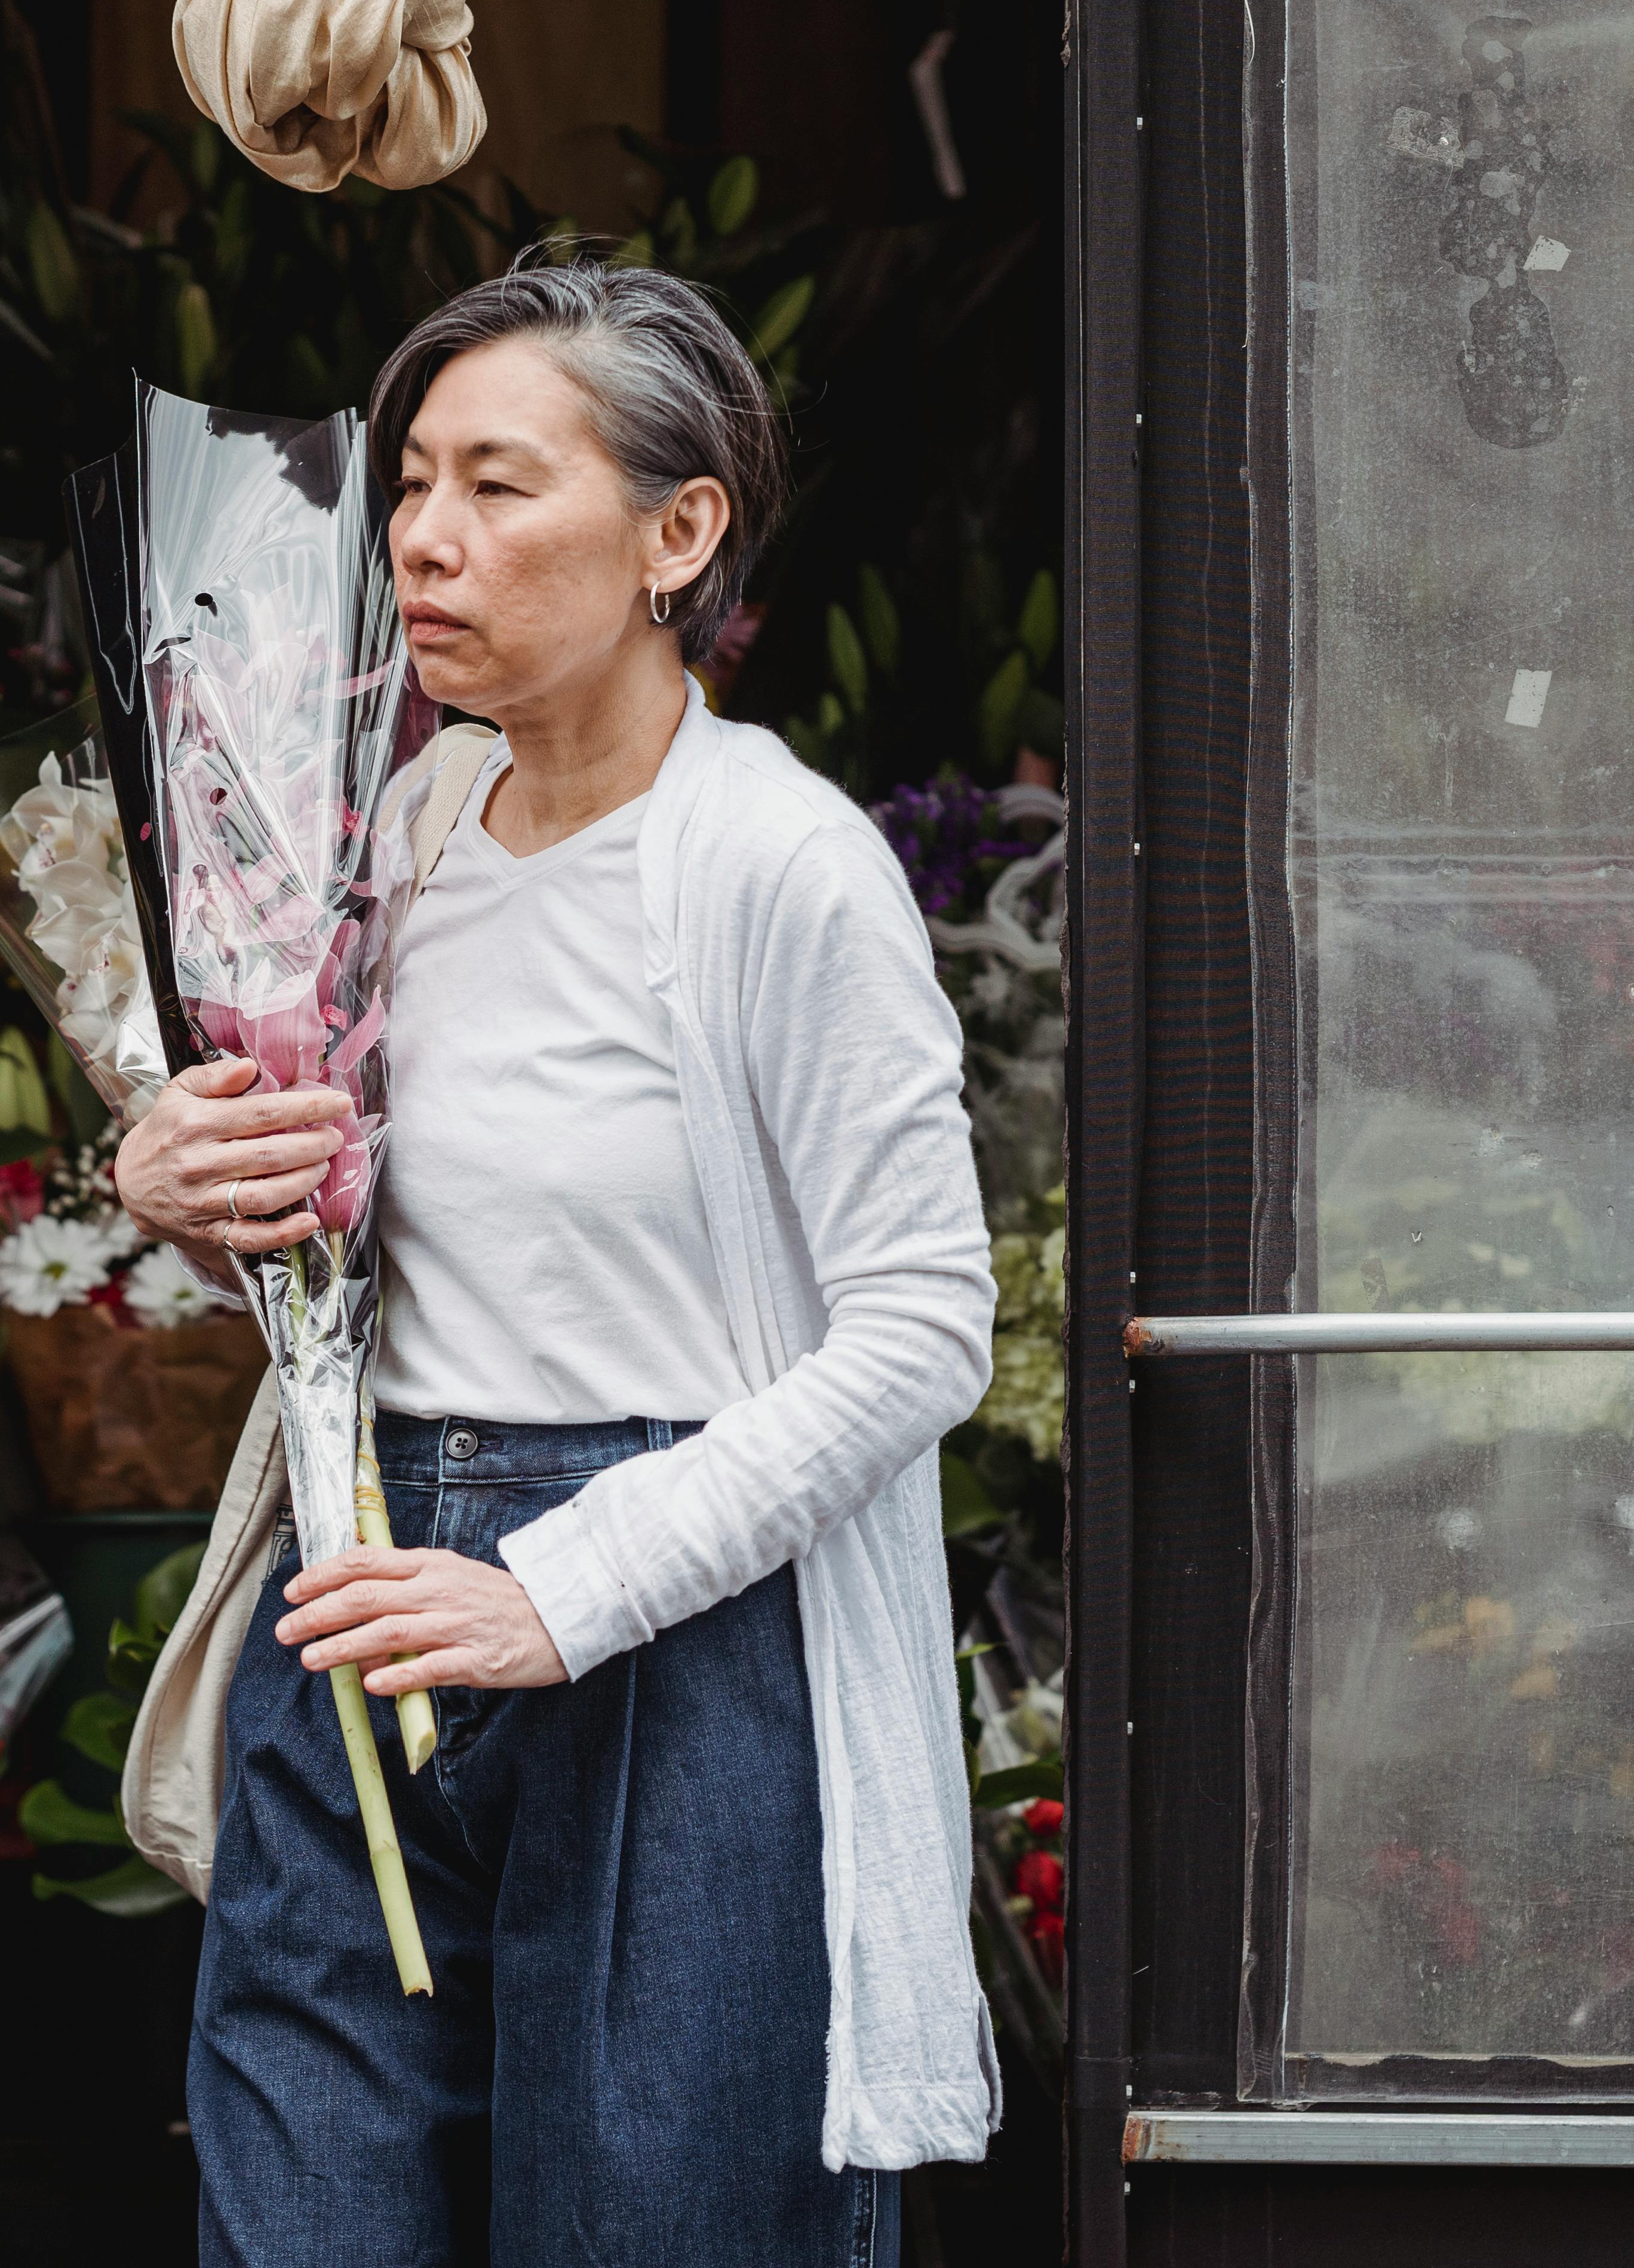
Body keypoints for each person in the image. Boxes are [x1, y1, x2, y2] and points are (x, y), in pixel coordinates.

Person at [115, 256, 999, 2266]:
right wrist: (185, 1177)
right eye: (412, 483)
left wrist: (562, 1586)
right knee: (303, 2216)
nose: (424, 539)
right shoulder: (401, 823)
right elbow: (356, 1251)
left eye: (502, 488)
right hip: (359, 1591)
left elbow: (928, 1325)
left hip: (672, 1647)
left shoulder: (778, 865)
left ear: (678, 534)